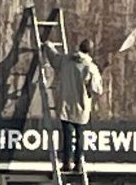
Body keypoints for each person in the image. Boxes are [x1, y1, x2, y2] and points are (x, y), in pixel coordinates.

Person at [43, 38, 108, 172]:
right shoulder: (90, 67)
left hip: (66, 104)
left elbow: (54, 58)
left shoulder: (66, 60)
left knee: (67, 135)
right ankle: (78, 164)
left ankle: (66, 162)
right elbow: (97, 90)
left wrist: (48, 45)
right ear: (90, 51)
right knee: (79, 136)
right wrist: (100, 74)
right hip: (81, 106)